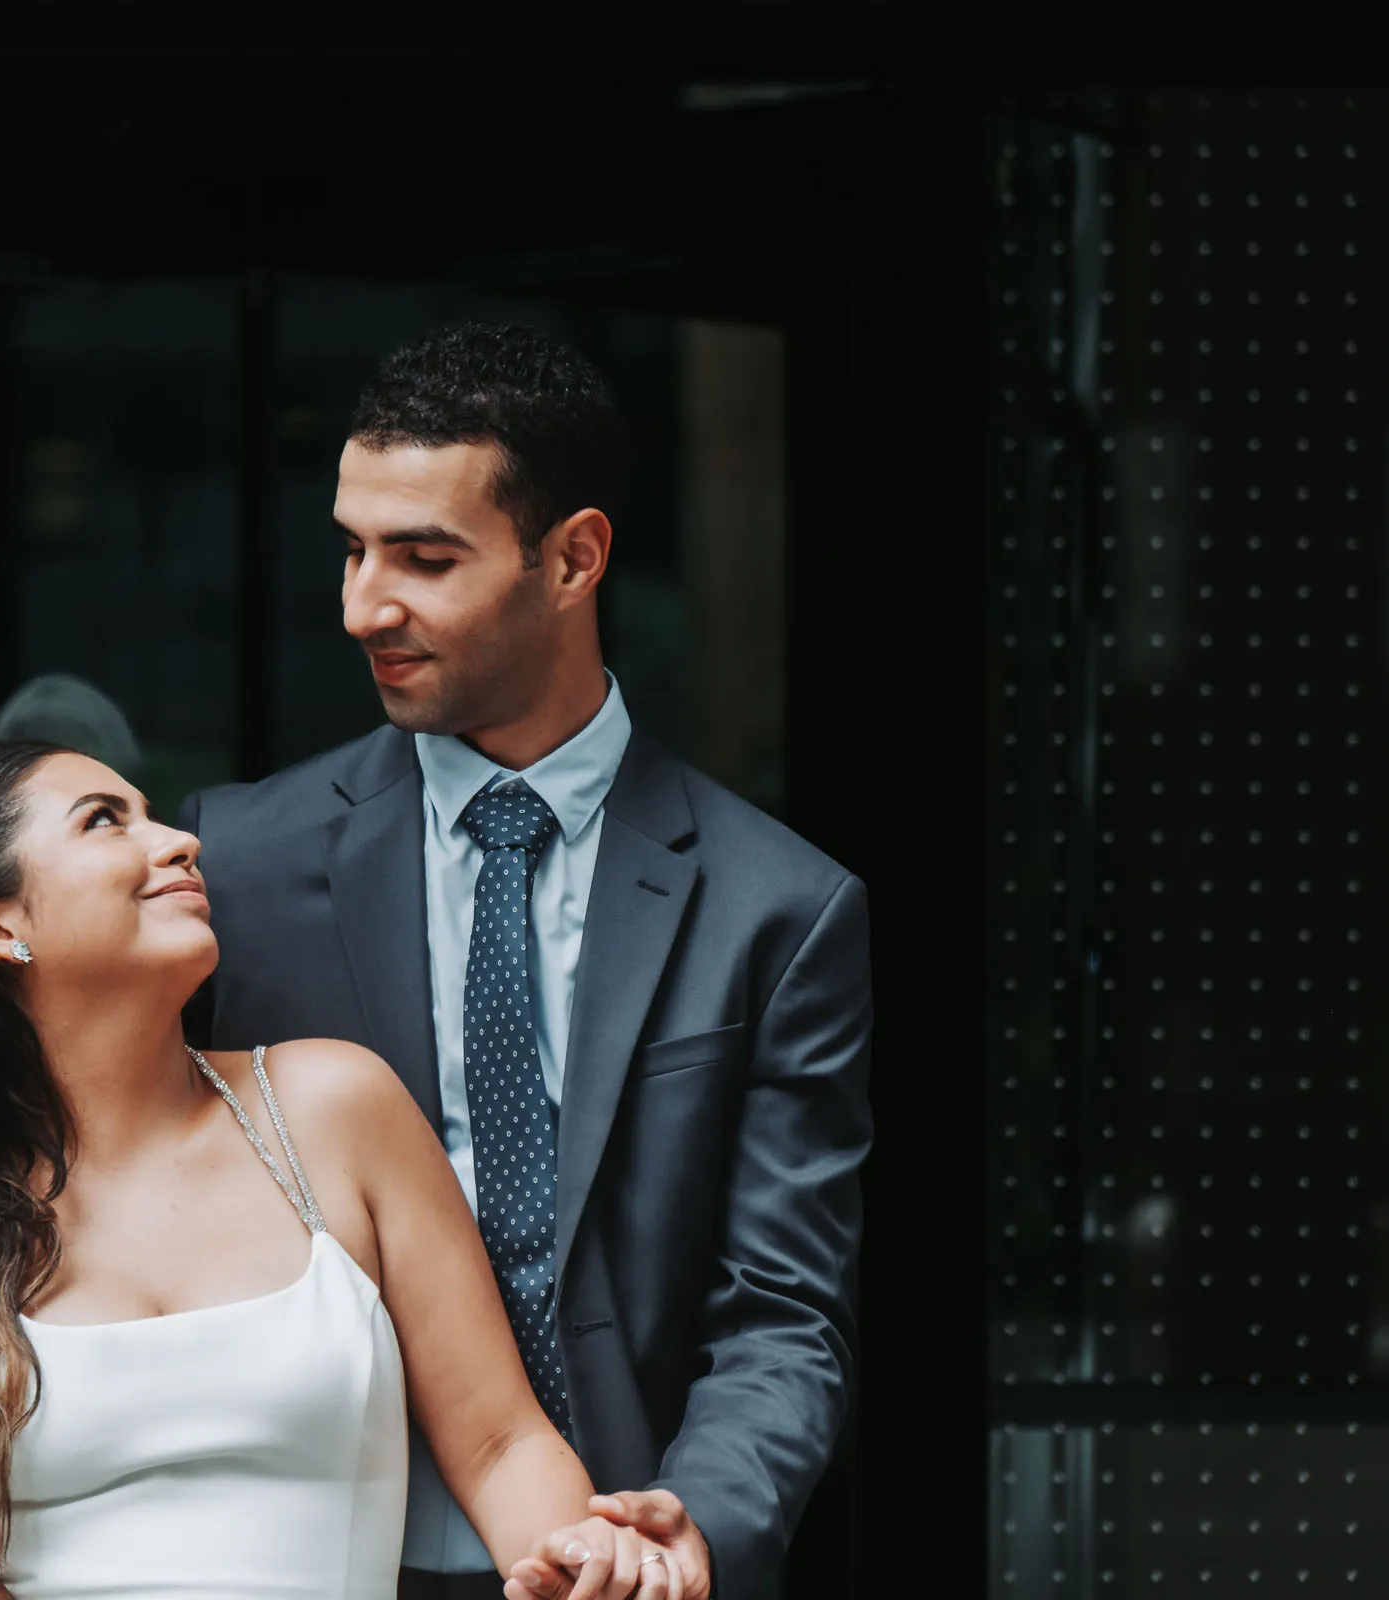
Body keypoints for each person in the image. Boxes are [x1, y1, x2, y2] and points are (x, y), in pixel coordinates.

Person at [175, 323, 874, 1599]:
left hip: (615, 1562)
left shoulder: (783, 908)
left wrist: (692, 1526)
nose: (361, 606)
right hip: (309, 1555)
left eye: (424, 558)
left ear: (575, 558)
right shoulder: (239, 863)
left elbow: (783, 1310)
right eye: (352, 548)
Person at [0, 741, 703, 1599]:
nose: (178, 841)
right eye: (106, 820)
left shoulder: (333, 1108)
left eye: (154, 812)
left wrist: (579, 1561)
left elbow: (500, 1443)